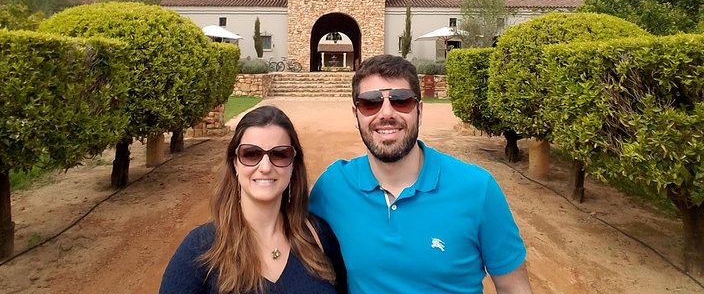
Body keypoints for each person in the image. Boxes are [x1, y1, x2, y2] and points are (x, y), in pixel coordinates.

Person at [309, 54, 532, 293]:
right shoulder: (334, 186)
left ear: (420, 111)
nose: (386, 113)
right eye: (370, 103)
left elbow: (513, 287)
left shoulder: (477, 189)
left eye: (401, 101)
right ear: (356, 115)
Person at [160, 105, 347, 294]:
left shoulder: (319, 237)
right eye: (251, 154)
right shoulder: (200, 249)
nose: (265, 167)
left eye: (280, 154)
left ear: (293, 165)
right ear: (235, 163)